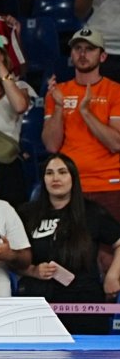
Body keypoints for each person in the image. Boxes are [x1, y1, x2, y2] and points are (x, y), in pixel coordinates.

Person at [15, 153, 120, 333]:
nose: (55, 178)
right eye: (49, 173)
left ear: (73, 178)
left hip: (84, 300)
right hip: (39, 299)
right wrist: (32, 270)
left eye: (62, 172)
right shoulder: (26, 214)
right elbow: (11, 257)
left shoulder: (92, 212)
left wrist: (112, 276)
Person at [43, 27, 120, 219]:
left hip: (108, 184)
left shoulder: (115, 91)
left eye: (90, 49)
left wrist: (85, 112)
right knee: (70, 248)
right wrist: (59, 107)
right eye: (78, 48)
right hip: (69, 185)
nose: (83, 54)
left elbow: (116, 143)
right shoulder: (57, 92)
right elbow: (52, 145)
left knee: (111, 248)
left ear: (102, 56)